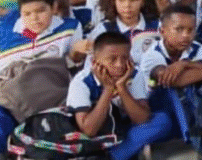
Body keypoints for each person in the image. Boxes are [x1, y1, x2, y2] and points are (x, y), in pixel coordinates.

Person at [0, 0, 88, 154]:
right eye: (27, 13)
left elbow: (73, 64)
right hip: (2, 94)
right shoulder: (2, 30)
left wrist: (78, 52)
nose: (34, 18)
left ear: (53, 7)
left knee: (49, 142)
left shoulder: (70, 28)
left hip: (46, 98)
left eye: (41, 11)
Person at [68, 31, 174, 160]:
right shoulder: (82, 82)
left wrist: (122, 87)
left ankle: (111, 157)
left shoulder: (133, 74)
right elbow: (89, 130)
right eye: (112, 59)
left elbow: (142, 119)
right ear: (94, 61)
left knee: (162, 120)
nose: (120, 64)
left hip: (124, 131)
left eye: (125, 58)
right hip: (97, 136)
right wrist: (108, 89)